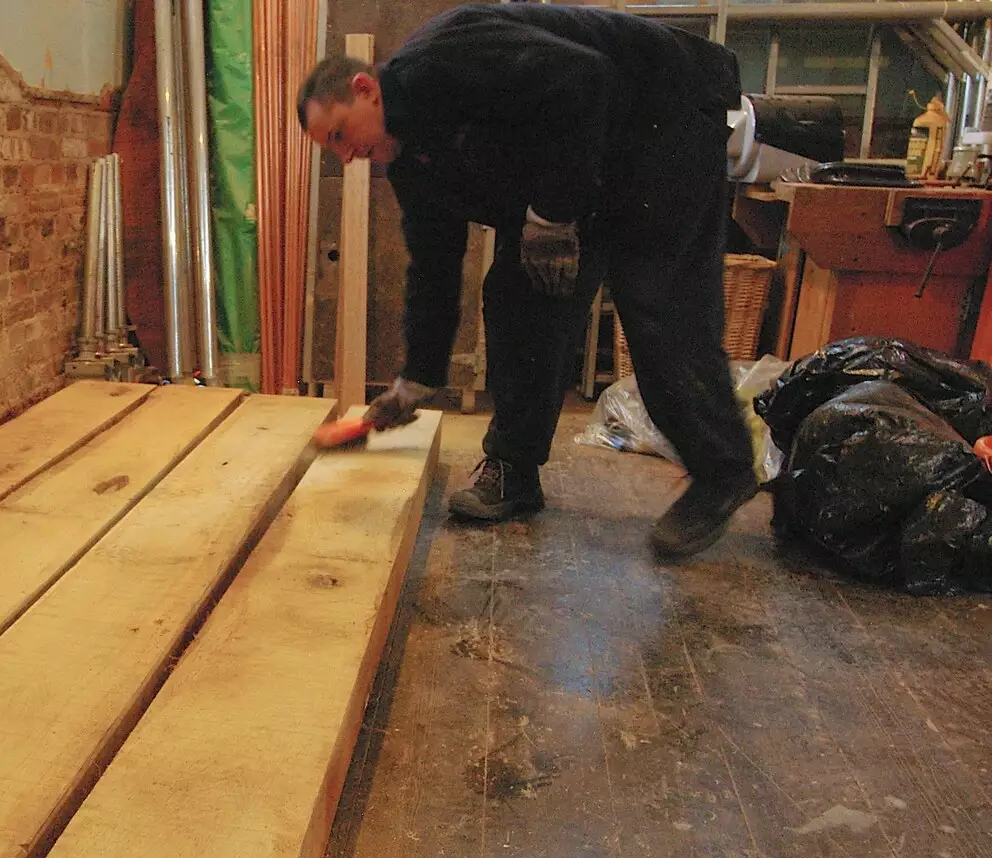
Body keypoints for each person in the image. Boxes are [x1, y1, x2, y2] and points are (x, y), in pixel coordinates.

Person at [297, 4, 759, 560]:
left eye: (342, 134)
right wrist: (415, 380)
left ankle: (721, 472)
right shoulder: (413, 164)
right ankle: (514, 471)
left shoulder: (441, 59)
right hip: (593, 156)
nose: (347, 157)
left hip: (662, 116)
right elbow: (434, 268)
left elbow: (584, 78)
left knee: (657, 298)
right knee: (521, 292)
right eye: (335, 150)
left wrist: (550, 215)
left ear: (366, 87)